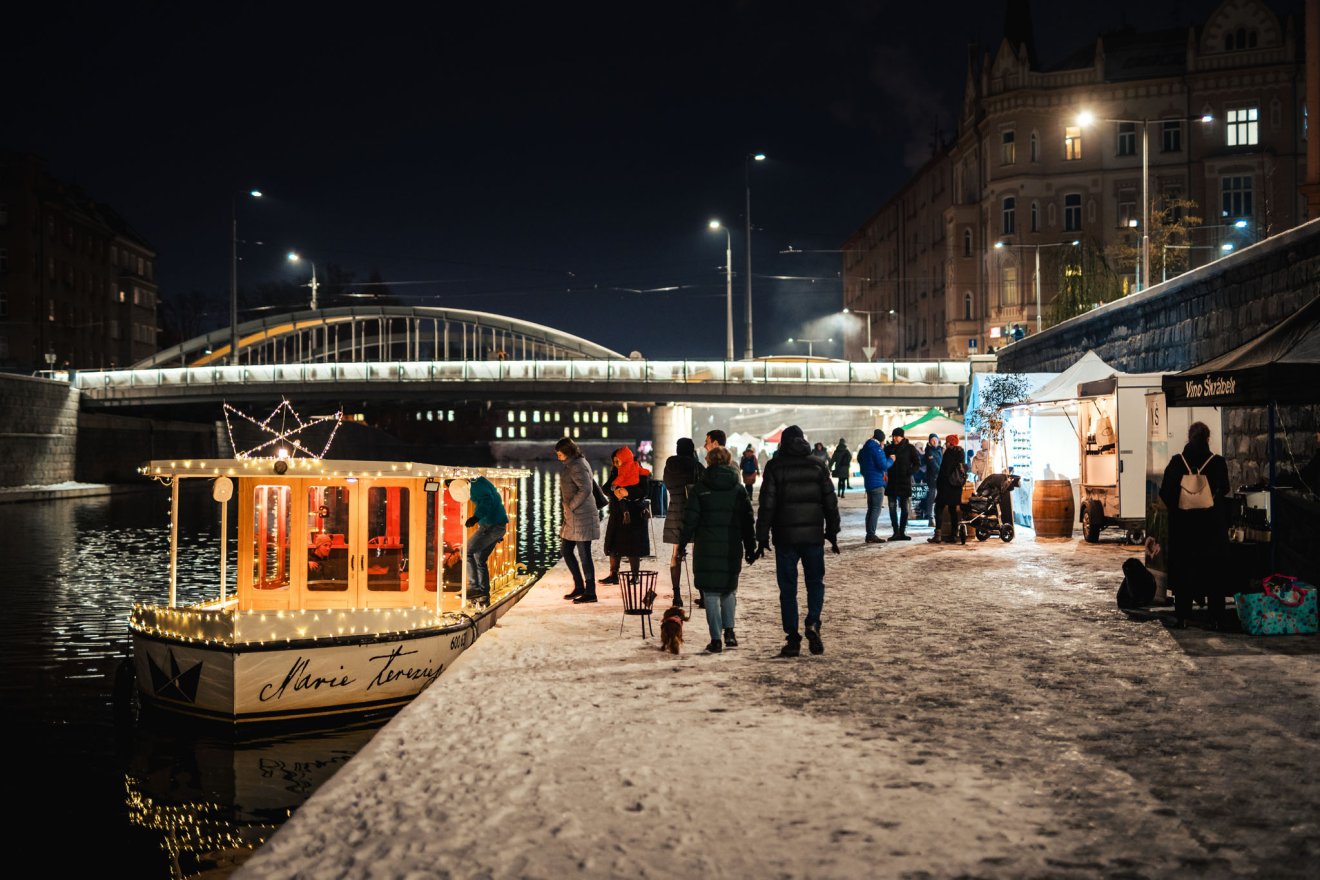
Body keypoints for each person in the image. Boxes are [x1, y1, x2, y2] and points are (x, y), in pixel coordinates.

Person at [756, 425, 840, 658]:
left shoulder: (774, 466)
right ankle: (813, 622)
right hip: (813, 537)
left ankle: (792, 637)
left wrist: (761, 536)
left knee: (788, 588)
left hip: (785, 538)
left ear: (783, 443)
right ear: (803, 440)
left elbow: (767, 505)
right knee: (815, 582)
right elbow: (830, 502)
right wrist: (832, 531)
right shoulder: (817, 464)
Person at [681, 446, 756, 653]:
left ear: (709, 461)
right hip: (731, 545)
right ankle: (729, 631)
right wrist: (751, 547)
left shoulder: (700, 488)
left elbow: (690, 520)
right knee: (729, 590)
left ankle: (716, 639)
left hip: (706, 547)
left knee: (711, 593)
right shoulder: (738, 489)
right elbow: (747, 521)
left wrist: (682, 545)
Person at [1158, 421, 1231, 628]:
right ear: (1208, 439)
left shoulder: (1176, 462)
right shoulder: (1217, 462)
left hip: (1183, 529)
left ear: (1189, 438)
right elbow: (1224, 488)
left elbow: (1165, 492)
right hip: (1211, 529)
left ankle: (1183, 617)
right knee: (1213, 573)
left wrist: (1179, 507)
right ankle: (1216, 618)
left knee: (1184, 572)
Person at [555, 437, 600, 603]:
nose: (557, 456)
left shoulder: (578, 465)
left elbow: (586, 488)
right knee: (566, 550)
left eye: (559, 453)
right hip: (573, 517)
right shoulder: (573, 464)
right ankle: (579, 586)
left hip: (582, 516)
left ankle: (590, 592)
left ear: (567, 452)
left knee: (584, 555)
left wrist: (572, 505)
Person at [600, 446, 652, 586]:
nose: (615, 464)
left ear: (625, 459)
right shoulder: (616, 471)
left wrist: (627, 491)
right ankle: (613, 575)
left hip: (634, 513)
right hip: (618, 512)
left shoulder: (640, 471)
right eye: (614, 462)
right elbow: (606, 487)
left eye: (617, 461)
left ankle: (635, 576)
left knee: (633, 546)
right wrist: (615, 491)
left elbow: (644, 491)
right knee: (614, 544)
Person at [661, 437, 704, 607]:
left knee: (676, 554)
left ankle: (677, 595)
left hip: (675, 511)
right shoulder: (696, 466)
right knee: (698, 555)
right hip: (694, 511)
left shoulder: (669, 466)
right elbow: (703, 485)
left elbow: (667, 484)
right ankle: (702, 594)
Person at [464, 475, 509, 607]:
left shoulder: (476, 484)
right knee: (479, 559)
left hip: (491, 526)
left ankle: (474, 588)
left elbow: (487, 500)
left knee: (466, 552)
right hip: (497, 525)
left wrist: (475, 517)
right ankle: (483, 596)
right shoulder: (480, 481)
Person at [884, 427, 921, 541]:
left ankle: (902, 531)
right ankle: (895, 531)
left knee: (904, 507)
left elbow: (917, 464)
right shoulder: (889, 448)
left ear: (902, 437)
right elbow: (883, 463)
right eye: (893, 436)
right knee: (891, 507)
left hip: (904, 482)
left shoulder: (910, 448)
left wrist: (908, 472)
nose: (894, 438)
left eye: (896, 436)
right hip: (891, 482)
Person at [857, 428, 893, 543]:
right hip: (877, 482)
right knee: (876, 509)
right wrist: (891, 460)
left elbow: (860, 460)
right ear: (881, 439)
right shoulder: (876, 449)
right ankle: (871, 534)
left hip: (869, 482)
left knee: (871, 508)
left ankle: (869, 534)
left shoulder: (865, 448)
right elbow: (883, 465)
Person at [928, 434, 965, 544]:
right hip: (956, 487)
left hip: (946, 486)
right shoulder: (961, 453)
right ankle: (954, 535)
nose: (945, 443)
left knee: (938, 508)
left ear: (951, 442)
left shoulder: (949, 452)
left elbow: (944, 471)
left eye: (947, 442)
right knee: (953, 510)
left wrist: (939, 484)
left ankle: (938, 534)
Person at [919, 434, 943, 523]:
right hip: (932, 478)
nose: (934, 442)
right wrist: (941, 471)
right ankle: (930, 517)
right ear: (929, 441)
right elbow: (933, 465)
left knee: (938, 498)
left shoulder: (940, 450)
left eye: (935, 440)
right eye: (932, 440)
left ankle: (937, 516)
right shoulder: (929, 451)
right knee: (931, 497)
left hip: (940, 478)